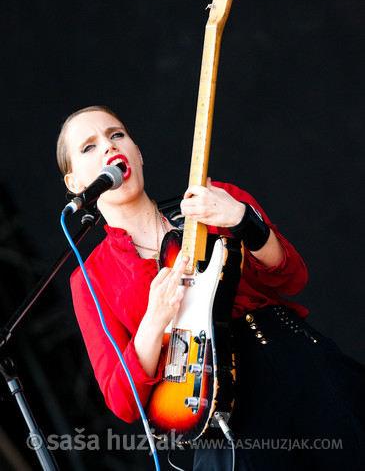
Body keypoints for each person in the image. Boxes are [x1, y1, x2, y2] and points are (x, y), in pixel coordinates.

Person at [57, 105, 365, 470]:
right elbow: (123, 401)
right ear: (75, 184)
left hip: (299, 363)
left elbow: (291, 277)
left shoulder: (211, 198)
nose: (109, 147)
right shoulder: (90, 278)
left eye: (117, 135)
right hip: (222, 414)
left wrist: (243, 220)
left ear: (137, 153)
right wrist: (154, 321)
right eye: (89, 147)